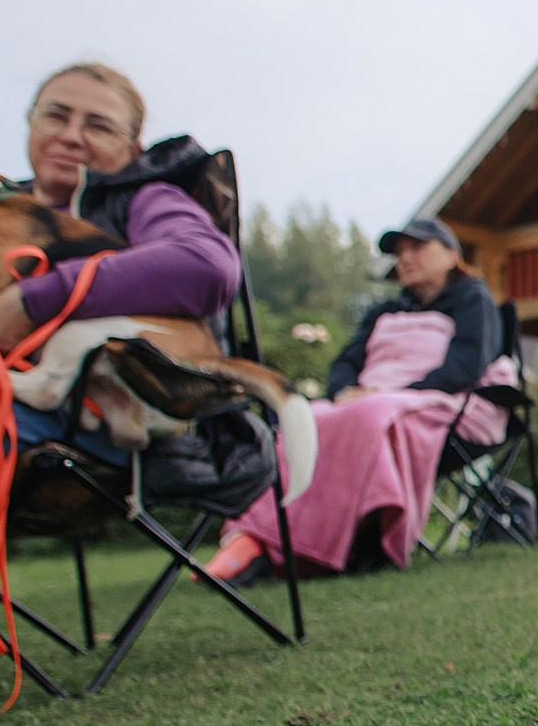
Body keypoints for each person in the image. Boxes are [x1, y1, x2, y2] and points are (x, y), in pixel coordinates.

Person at [205, 219, 508, 583]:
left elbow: (466, 365)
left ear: (450, 254)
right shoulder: (382, 312)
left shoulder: (473, 299)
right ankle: (260, 540)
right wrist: (344, 391)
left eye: (417, 248)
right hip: (368, 398)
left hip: (439, 402)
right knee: (303, 420)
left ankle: (361, 542)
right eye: (400, 253)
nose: (405, 258)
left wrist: (398, 394)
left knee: (370, 416)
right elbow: (346, 362)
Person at [3, 63, 241, 461]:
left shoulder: (144, 198)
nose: (70, 136)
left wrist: (31, 300)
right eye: (55, 116)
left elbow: (207, 265)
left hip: (117, 402)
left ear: (133, 150)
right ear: (30, 122)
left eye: (98, 126)